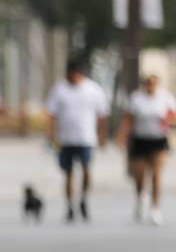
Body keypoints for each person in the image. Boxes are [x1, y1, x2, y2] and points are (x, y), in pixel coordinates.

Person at [45, 57, 109, 222]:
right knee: (68, 173)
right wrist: (50, 135)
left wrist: (103, 136)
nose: (72, 77)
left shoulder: (93, 90)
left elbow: (102, 116)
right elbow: (51, 114)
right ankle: (70, 206)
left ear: (81, 73)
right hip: (65, 139)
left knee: (87, 169)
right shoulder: (59, 90)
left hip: (87, 138)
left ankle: (83, 199)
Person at [118, 72, 176, 224]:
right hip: (140, 140)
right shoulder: (136, 99)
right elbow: (128, 120)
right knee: (140, 175)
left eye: (154, 83)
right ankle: (140, 197)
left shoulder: (166, 98)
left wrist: (168, 121)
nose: (151, 86)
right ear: (145, 84)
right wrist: (122, 138)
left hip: (159, 140)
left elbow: (173, 119)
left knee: (157, 175)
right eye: (148, 83)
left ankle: (155, 209)